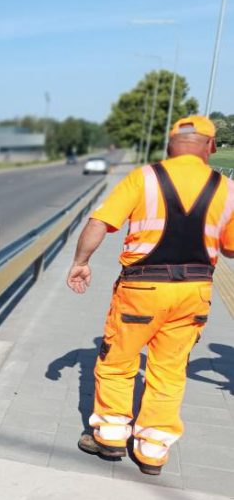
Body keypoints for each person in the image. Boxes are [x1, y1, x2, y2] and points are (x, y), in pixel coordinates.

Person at [66, 115, 234, 475]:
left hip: (141, 290)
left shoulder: (143, 178)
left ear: (169, 146)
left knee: (119, 360)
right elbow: (232, 249)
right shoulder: (226, 189)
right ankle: (152, 451)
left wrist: (81, 261)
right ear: (210, 146)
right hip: (194, 292)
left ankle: (111, 438)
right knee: (170, 370)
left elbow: (99, 223)